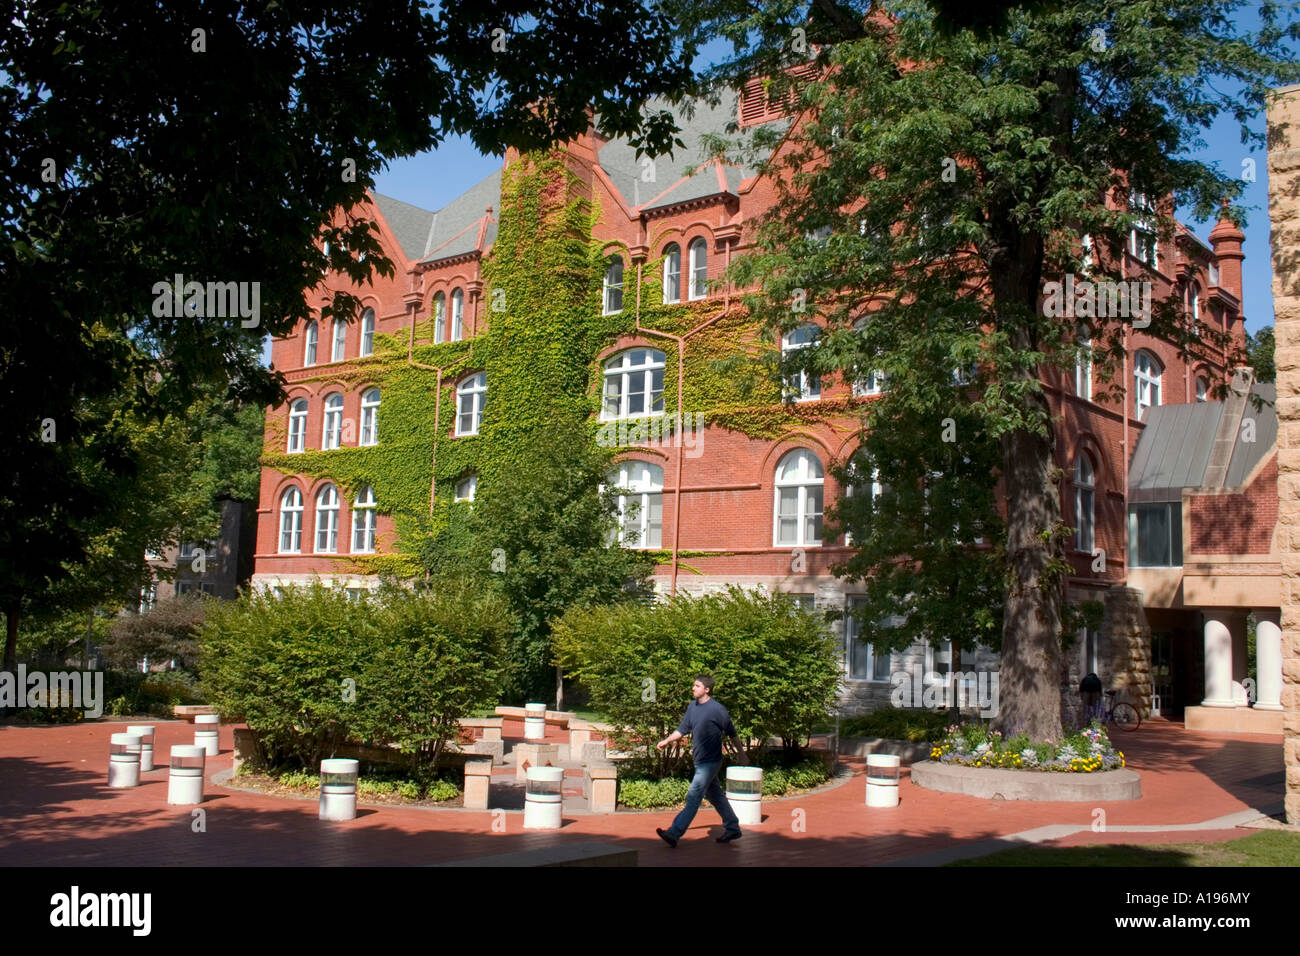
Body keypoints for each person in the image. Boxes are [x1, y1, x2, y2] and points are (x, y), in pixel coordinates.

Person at [654, 674, 747, 847]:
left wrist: (741, 753)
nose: (693, 688)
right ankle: (733, 827)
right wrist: (667, 740)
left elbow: (732, 733)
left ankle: (674, 833)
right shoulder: (692, 707)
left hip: (710, 762)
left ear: (706, 689)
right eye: (694, 685)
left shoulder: (717, 709)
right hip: (699, 761)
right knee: (716, 796)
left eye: (697, 686)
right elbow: (682, 729)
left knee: (693, 796)